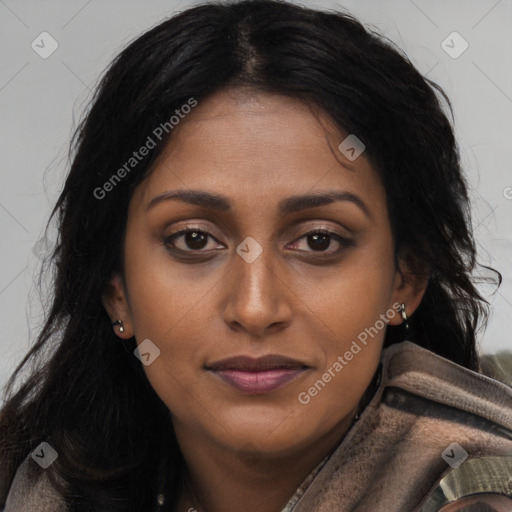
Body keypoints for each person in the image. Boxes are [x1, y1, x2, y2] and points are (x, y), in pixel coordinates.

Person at [1, 1, 511, 511]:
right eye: (194, 240)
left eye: (318, 241)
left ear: (405, 278)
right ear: (118, 292)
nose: (255, 308)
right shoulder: (30, 484)